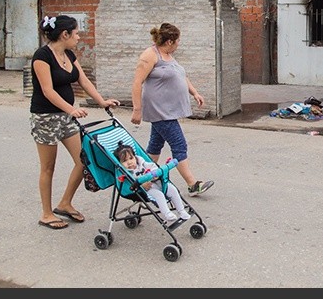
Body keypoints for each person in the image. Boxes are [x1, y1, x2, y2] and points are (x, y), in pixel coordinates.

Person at [30, 14, 120, 230]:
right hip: (46, 118)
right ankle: (46, 213)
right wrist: (72, 109)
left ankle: (65, 203)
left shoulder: (69, 54)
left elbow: (83, 80)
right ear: (65, 34)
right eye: (76, 33)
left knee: (84, 159)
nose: (79, 37)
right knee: (48, 167)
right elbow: (47, 91)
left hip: (67, 117)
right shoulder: (42, 56)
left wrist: (102, 102)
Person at [131, 22, 214, 197]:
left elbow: (181, 75)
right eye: (177, 41)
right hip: (159, 110)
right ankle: (192, 184)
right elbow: (137, 82)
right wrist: (137, 109)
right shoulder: (150, 55)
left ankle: (143, 181)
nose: (179, 44)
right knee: (179, 144)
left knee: (155, 145)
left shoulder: (167, 55)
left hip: (168, 110)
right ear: (170, 41)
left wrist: (195, 93)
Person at [113, 142, 191, 222]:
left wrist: (155, 173)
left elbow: (152, 166)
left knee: (172, 189)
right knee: (159, 195)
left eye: (131, 158)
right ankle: (167, 214)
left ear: (135, 157)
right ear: (120, 163)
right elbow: (131, 184)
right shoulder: (127, 173)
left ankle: (181, 211)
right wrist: (141, 185)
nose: (129, 162)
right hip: (147, 189)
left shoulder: (142, 163)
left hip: (157, 183)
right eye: (125, 161)